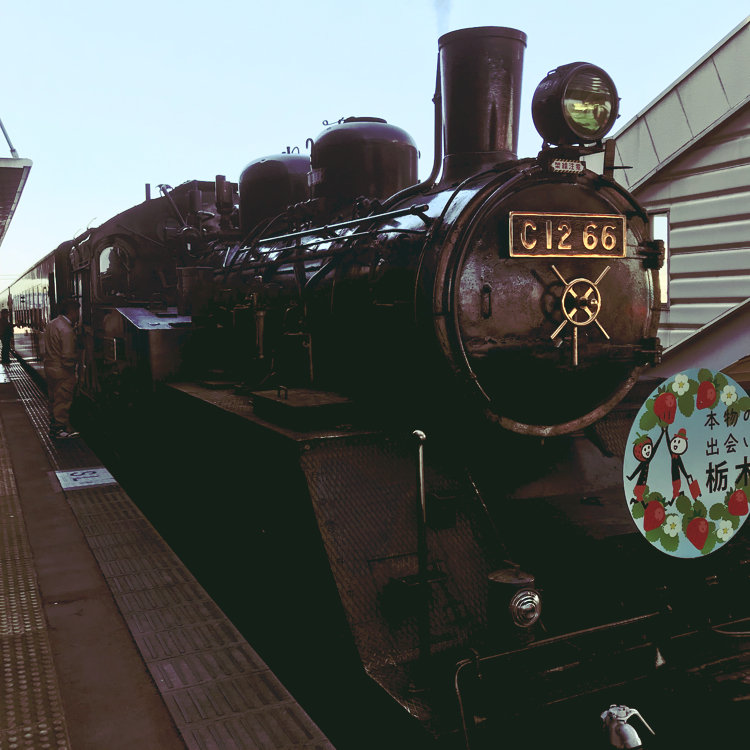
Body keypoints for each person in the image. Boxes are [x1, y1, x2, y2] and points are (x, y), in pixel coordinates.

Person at [43, 299, 81, 439]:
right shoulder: (67, 330)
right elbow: (67, 356)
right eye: (78, 311)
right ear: (72, 311)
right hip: (62, 372)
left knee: (53, 399)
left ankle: (54, 426)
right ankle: (60, 430)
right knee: (62, 401)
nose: (79, 314)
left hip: (50, 368)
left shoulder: (52, 324)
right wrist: (76, 363)